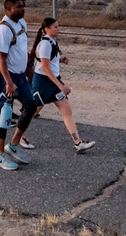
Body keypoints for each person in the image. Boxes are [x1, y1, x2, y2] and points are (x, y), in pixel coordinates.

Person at [31, 18, 95, 152]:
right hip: (43, 82)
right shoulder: (45, 44)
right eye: (55, 27)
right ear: (47, 29)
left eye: (58, 26)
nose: (58, 29)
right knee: (30, 112)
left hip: (53, 82)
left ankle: (78, 142)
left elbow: (49, 61)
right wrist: (60, 85)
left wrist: (59, 60)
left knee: (67, 111)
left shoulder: (52, 42)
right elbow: (45, 67)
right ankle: (17, 138)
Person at [0, 0, 35, 171]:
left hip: (20, 76)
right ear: (8, 9)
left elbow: (23, 51)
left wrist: (28, 74)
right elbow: (1, 58)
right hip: (5, 77)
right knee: (5, 117)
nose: (22, 9)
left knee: (30, 107)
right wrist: (8, 82)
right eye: (18, 7)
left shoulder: (22, 24)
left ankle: (13, 145)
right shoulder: (3, 29)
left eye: (23, 5)